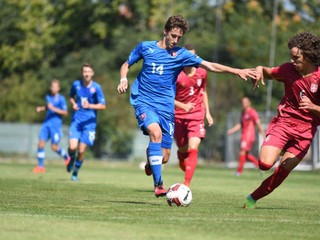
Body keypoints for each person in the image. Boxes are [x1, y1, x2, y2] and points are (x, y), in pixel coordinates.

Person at [117, 15, 257, 198]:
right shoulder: (146, 47)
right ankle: (159, 185)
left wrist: (237, 70)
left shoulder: (182, 54)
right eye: (173, 36)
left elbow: (210, 65)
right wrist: (123, 78)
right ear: (165, 31)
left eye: (179, 38)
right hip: (145, 101)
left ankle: (152, 161)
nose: (175, 40)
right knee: (155, 133)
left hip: (166, 108)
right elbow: (126, 65)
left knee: (165, 156)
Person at [244, 31, 320, 208]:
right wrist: (259, 70)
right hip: (284, 124)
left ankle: (252, 198)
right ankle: (279, 145)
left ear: (308, 56)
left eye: (296, 57)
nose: (292, 61)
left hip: (305, 133)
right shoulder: (288, 70)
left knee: (282, 171)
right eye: (291, 57)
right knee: (264, 164)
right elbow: (268, 72)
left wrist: (314, 107)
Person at [174, 44, 214, 187]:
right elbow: (167, 96)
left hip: (196, 115)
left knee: (194, 146)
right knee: (183, 148)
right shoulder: (175, 74)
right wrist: (183, 106)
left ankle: (186, 184)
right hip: (178, 116)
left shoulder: (202, 73)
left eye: (194, 56)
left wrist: (207, 113)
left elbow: (202, 92)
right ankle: (181, 156)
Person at [66, 63, 106, 181]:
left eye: (89, 71)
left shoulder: (96, 88)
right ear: (82, 73)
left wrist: (90, 105)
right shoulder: (76, 84)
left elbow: (103, 106)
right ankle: (71, 158)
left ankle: (75, 173)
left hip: (89, 124)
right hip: (76, 121)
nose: (86, 74)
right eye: (84, 72)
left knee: (82, 150)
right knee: (72, 147)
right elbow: (71, 96)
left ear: (92, 73)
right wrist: (73, 104)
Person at [33, 79, 69, 173]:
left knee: (54, 147)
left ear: (59, 88)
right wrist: (41, 108)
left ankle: (67, 157)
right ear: (50, 88)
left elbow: (65, 112)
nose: (54, 88)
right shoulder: (48, 97)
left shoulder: (61, 98)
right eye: (52, 87)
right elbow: (48, 107)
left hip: (55, 126)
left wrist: (54, 109)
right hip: (46, 124)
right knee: (40, 144)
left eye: (56, 87)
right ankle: (41, 167)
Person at [227, 97, 265, 176]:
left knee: (242, 152)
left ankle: (238, 172)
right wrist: (232, 130)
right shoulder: (243, 112)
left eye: (244, 102)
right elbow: (240, 124)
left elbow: (258, 123)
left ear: (248, 103)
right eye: (242, 102)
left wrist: (263, 134)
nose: (243, 104)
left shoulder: (252, 112)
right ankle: (259, 166)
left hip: (248, 136)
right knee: (246, 155)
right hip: (244, 136)